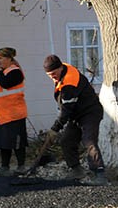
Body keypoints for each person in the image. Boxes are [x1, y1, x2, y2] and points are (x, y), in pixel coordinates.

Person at [43, 55, 107, 185]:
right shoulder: (63, 70)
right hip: (76, 114)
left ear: (60, 68)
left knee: (89, 140)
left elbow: (66, 110)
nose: (52, 77)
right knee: (67, 140)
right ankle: (77, 170)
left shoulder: (70, 83)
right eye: (49, 75)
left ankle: (99, 174)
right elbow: (67, 109)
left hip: (90, 112)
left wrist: (55, 129)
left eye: (54, 73)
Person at [0, 47, 28, 176]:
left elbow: (6, 84)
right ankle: (4, 166)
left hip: (14, 113)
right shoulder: (0, 72)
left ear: (9, 59)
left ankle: (21, 166)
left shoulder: (15, 72)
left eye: (0, 58)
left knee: (17, 141)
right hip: (0, 113)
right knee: (3, 141)